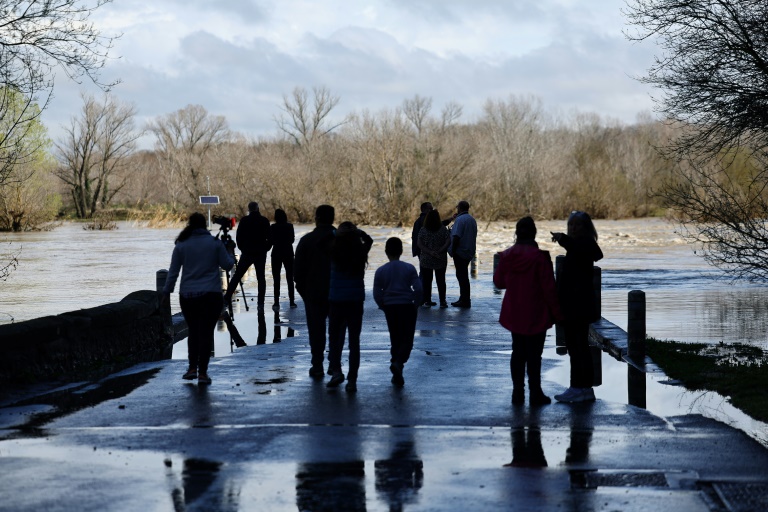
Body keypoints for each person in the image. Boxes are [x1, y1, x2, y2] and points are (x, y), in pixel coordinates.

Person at [493, 216, 563, 405]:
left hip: (514, 310)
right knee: (534, 355)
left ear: (516, 233)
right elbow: (549, 289)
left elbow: (499, 283)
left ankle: (517, 393)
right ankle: (535, 392)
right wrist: (557, 314)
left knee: (518, 352)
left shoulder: (506, 256)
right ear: (534, 233)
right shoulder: (540, 258)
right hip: (536, 312)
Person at [162, 212, 235, 385]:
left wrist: (166, 293)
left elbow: (173, 273)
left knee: (193, 331)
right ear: (204, 226)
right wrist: (230, 250)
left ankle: (192, 368)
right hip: (211, 295)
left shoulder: (181, 245)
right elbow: (228, 265)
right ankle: (203, 373)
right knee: (206, 332)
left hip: (188, 296)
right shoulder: (215, 243)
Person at [550, 210, 604, 403]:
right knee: (576, 346)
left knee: (577, 346)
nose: (573, 228)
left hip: (577, 305)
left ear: (586, 227)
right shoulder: (578, 246)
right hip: (574, 305)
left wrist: (563, 239)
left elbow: (591, 253)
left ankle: (579, 387)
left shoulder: (585, 244)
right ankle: (582, 387)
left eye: (577, 225)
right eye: (570, 225)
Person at [326, 221, 373, 392]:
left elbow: (325, 239)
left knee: (334, 339)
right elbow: (370, 240)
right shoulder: (360, 252)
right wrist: (359, 233)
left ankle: (336, 371)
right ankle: (352, 380)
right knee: (354, 342)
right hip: (355, 301)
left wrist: (338, 234)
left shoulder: (332, 251)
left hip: (336, 300)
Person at [373, 237, 422, 387]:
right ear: (401, 251)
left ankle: (396, 364)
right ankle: (399, 362)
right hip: (407, 305)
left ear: (386, 251)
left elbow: (377, 292)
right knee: (407, 339)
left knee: (395, 337)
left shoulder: (381, 270)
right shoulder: (409, 268)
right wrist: (416, 303)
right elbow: (419, 288)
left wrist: (382, 305)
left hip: (390, 307)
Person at [294, 204, 336, 379]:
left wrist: (305, 293)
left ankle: (317, 364)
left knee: (316, 331)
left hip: (314, 292)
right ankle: (334, 365)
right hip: (337, 292)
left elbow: (297, 273)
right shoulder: (341, 239)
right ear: (333, 218)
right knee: (336, 332)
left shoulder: (306, 240)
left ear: (316, 218)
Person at [224, 201, 272, 308]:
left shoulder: (244, 221)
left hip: (247, 253)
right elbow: (270, 238)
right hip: (260, 253)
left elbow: (239, 237)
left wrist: (243, 249)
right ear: (258, 208)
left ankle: (227, 298)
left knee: (237, 276)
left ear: (249, 209)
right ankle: (260, 302)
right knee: (261, 278)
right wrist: (265, 249)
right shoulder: (264, 221)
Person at [417, 209, 451, 308]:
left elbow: (419, 243)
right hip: (440, 258)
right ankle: (442, 301)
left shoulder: (423, 229)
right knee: (441, 280)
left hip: (426, 258)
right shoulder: (442, 229)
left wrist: (429, 252)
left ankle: (427, 300)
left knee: (427, 281)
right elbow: (448, 241)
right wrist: (440, 251)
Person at [448, 200, 477, 308]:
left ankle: (464, 300)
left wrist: (452, 251)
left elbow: (456, 236)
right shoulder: (472, 219)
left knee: (462, 276)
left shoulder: (460, 220)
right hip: (469, 250)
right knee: (463, 276)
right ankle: (464, 299)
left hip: (460, 251)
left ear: (459, 208)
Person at [270, 208, 296, 310]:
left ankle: (276, 302)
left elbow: (271, 240)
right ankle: (292, 301)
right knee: (290, 278)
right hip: (288, 253)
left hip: (276, 253)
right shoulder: (290, 226)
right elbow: (292, 239)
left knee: (276, 279)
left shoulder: (273, 227)